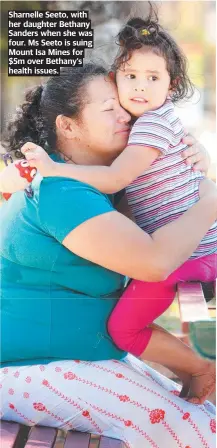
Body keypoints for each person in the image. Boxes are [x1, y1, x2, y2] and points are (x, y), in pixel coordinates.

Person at [0, 64, 216, 448]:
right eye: (108, 108)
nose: (126, 115)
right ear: (68, 126)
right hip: (28, 366)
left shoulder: (87, 186)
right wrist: (211, 199)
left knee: (204, 419)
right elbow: (156, 263)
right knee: (199, 430)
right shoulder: (61, 191)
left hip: (72, 354)